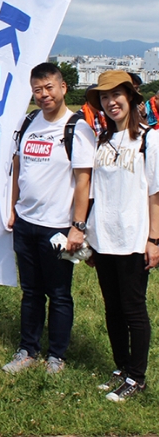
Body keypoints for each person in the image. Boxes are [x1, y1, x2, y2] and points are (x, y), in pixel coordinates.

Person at [4, 63, 94, 374]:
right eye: (37, 90)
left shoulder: (77, 128)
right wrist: (13, 208)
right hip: (26, 222)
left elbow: (84, 181)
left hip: (58, 227)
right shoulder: (29, 121)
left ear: (63, 88)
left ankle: (56, 355)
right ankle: (27, 349)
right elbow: (18, 166)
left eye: (49, 88)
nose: (44, 95)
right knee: (30, 292)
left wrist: (78, 226)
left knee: (58, 293)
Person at [84, 70, 159, 401]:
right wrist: (88, 234)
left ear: (130, 98)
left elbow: (155, 193)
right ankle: (122, 367)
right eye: (104, 97)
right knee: (112, 308)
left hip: (133, 238)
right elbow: (95, 191)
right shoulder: (102, 140)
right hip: (103, 237)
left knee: (133, 308)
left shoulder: (148, 139)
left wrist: (154, 239)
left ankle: (137, 378)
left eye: (116, 95)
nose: (111, 102)